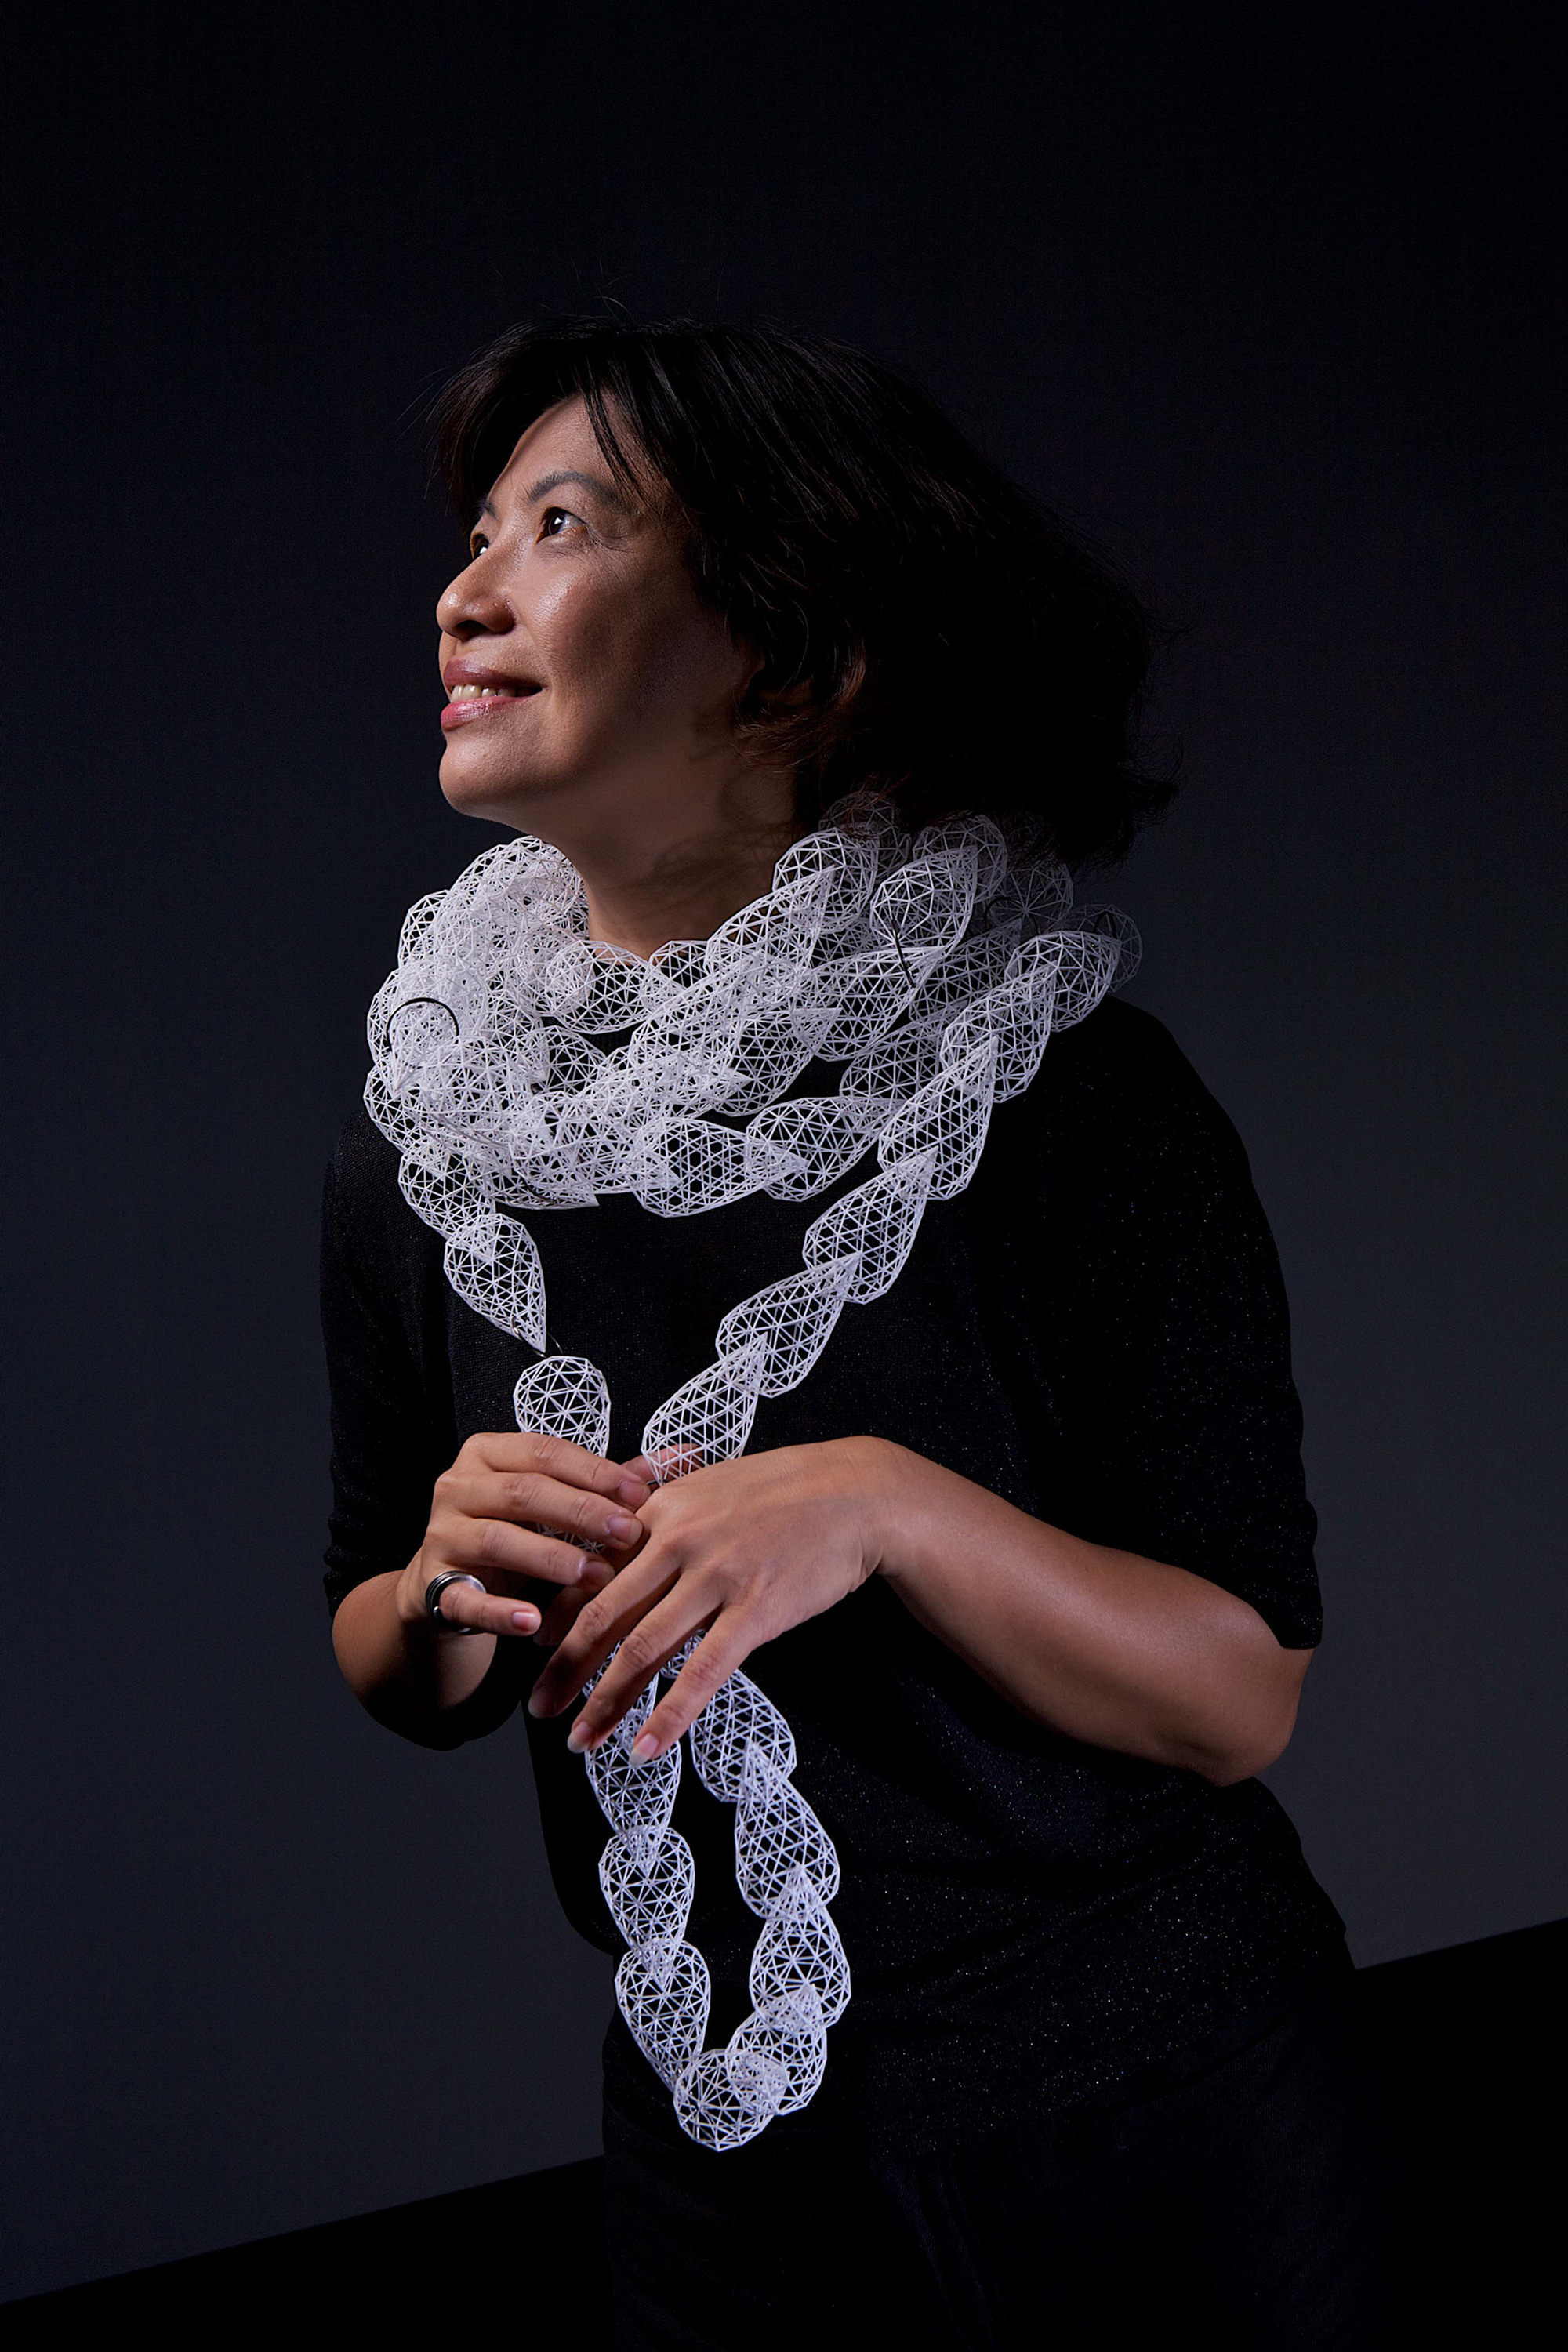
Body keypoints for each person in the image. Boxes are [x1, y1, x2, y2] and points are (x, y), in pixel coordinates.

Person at [321, 321, 1390, 2348]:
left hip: (1162, 2120)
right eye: (477, 534)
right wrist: (444, 1587)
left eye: (564, 527)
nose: (465, 594)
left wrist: (890, 1509)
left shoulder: (1073, 1099)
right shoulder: (428, 1142)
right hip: (722, 2179)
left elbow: (1238, 1697)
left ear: (792, 656)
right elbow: (387, 1645)